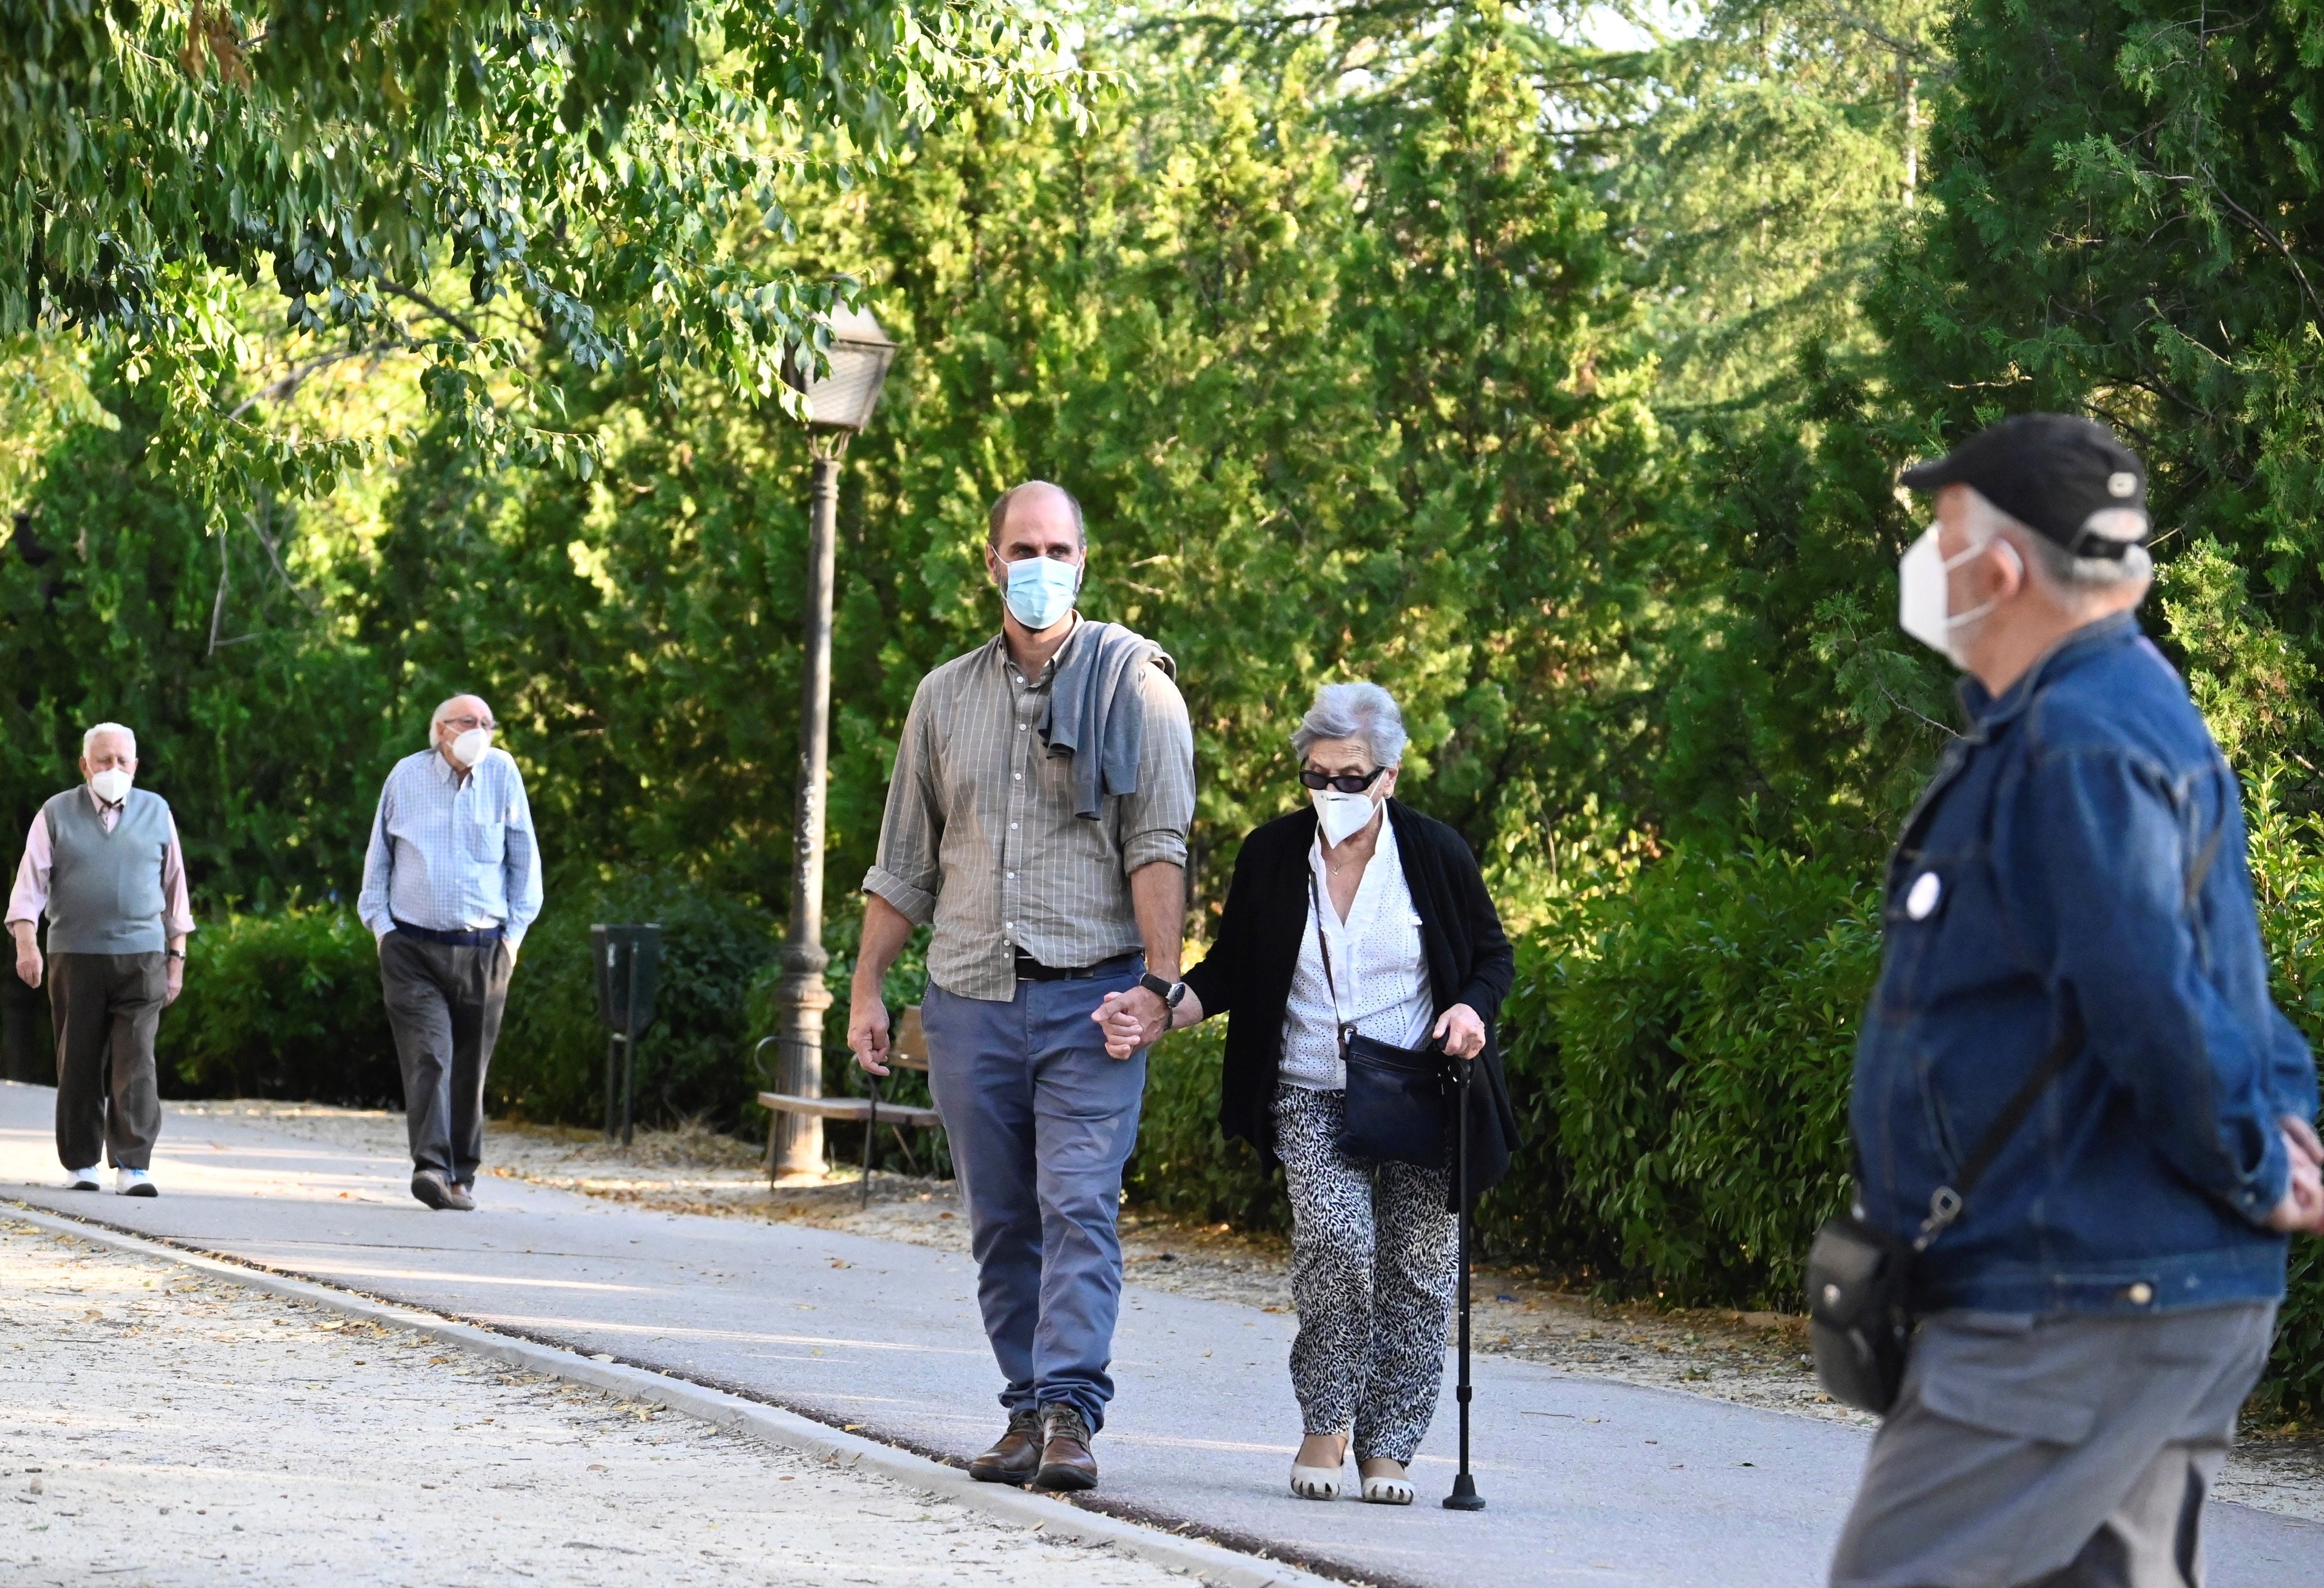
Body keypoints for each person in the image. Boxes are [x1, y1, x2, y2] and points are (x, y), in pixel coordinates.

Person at [1831, 414, 2324, 1588]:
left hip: (2071, 1305)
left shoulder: (2077, 740)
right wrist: (2272, 1131)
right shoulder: (2114, 713)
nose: (1923, 565)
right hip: (2124, 1288)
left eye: (1937, 536)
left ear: (1996, 568)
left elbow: (2148, 994)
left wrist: (2255, 1156)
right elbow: (2216, 979)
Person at [848, 480, 1195, 1493]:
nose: (1043, 566)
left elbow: (1160, 847)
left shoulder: (1138, 689)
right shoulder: (941, 698)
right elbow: (904, 863)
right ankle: (1021, 1409)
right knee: (1001, 1220)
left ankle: (1070, 1414)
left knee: (1080, 1205)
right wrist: (869, 988)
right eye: (1024, 548)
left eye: (1061, 548)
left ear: (1084, 560)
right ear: (991, 560)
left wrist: (1162, 988)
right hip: (969, 999)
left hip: (1093, 1003)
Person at [1098, 681, 1520, 1505]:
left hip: (1422, 1091)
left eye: (1352, 776)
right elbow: (1226, 970)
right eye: (1318, 775)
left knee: (1423, 1273)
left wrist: (1470, 1007)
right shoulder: (1271, 854)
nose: (1333, 792)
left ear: (1389, 776)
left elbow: (1491, 956)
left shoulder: (1436, 854)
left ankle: (1389, 1447)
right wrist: (1160, 1009)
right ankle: (1326, 1421)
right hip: (1310, 1089)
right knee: (1337, 1242)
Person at [357, 695, 542, 1213]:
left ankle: (462, 1172)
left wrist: (513, 938)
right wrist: (383, 931)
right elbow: (379, 861)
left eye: (488, 722)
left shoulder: (504, 774)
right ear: (440, 730)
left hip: (484, 948)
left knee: (470, 1068)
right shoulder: (406, 776)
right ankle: (432, 1167)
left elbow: (524, 861)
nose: (480, 729)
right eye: (469, 721)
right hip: (412, 948)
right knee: (430, 1056)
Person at [5, 722, 194, 1196]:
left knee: (137, 1061)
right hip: (76, 955)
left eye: (122, 761)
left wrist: (177, 958)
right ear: (85, 765)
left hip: (142, 955)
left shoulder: (157, 811)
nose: (113, 768)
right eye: (103, 760)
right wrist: (26, 944)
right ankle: (81, 1162)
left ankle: (134, 1165)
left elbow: (176, 892)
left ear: (135, 765)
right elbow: (29, 886)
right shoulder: (56, 813)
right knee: (78, 1060)